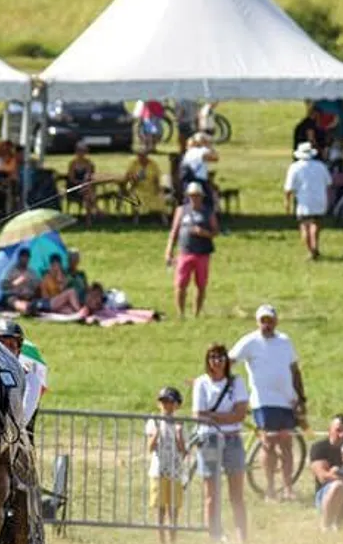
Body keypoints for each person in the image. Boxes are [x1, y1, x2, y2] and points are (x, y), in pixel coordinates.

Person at [230, 304, 308, 502]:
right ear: (258, 322)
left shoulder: (285, 341)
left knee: (287, 445)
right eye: (263, 320)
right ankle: (271, 489)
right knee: (269, 443)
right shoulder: (250, 341)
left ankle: (288, 488)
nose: (267, 324)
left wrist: (301, 397)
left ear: (276, 321)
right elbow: (229, 361)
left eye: (270, 320)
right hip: (264, 401)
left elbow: (294, 370)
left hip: (287, 400)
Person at [192, 342, 249, 543]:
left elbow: (240, 414)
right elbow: (199, 415)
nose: (218, 361)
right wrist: (227, 415)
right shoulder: (201, 382)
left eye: (221, 357)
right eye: (213, 357)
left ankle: (242, 536)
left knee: (237, 493)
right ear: (208, 361)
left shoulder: (237, 382)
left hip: (232, 439)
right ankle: (215, 535)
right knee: (211, 493)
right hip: (209, 439)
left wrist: (214, 416)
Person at [165, 182, 218, 318]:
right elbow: (174, 231)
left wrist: (203, 233)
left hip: (202, 253)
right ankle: (180, 313)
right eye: (192, 196)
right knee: (181, 284)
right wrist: (169, 250)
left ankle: (197, 313)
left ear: (201, 197)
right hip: (185, 251)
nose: (194, 198)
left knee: (200, 284)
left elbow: (215, 231)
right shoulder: (181, 210)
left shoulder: (207, 211)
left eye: (197, 196)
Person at [0, 319, 46, 428]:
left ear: (19, 352)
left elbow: (21, 419)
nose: (5, 351)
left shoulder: (29, 378)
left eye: (11, 346)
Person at [145, 386, 186, 544]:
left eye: (170, 402)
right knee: (160, 508)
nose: (166, 405)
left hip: (175, 470)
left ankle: (173, 539)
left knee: (174, 508)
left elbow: (184, 450)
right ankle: (161, 539)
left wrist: (179, 434)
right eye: (163, 402)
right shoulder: (153, 421)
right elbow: (150, 447)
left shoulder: (181, 423)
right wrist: (157, 433)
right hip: (158, 470)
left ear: (177, 405)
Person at [284, 142, 333, 261]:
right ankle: (315, 247)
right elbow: (328, 183)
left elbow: (289, 188)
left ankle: (310, 250)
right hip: (319, 199)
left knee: (304, 226)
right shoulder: (321, 166)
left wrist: (287, 202)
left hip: (304, 201)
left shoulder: (295, 167)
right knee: (316, 223)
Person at [124, 147, 164, 221]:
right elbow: (127, 176)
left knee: (159, 196)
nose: (141, 157)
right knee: (137, 196)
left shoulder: (153, 164)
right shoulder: (134, 163)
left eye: (143, 155)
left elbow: (157, 178)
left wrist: (157, 188)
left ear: (147, 155)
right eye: (139, 155)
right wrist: (135, 177)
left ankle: (161, 219)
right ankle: (136, 218)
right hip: (137, 187)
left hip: (151, 187)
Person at [0, 247, 40, 315]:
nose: (25, 260)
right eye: (23, 257)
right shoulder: (12, 271)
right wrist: (15, 283)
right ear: (19, 258)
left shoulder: (31, 272)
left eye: (27, 258)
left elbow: (37, 286)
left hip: (28, 297)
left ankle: (29, 307)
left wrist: (30, 288)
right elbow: (3, 286)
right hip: (14, 296)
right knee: (12, 301)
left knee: (33, 301)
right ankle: (26, 308)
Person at [67, 143, 100, 225]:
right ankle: (96, 210)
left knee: (87, 194)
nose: (82, 153)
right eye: (80, 151)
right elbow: (71, 179)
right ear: (76, 152)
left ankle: (89, 219)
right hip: (74, 187)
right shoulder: (72, 163)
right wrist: (81, 183)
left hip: (85, 187)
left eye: (84, 151)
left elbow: (89, 176)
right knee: (88, 192)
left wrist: (85, 182)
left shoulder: (88, 163)